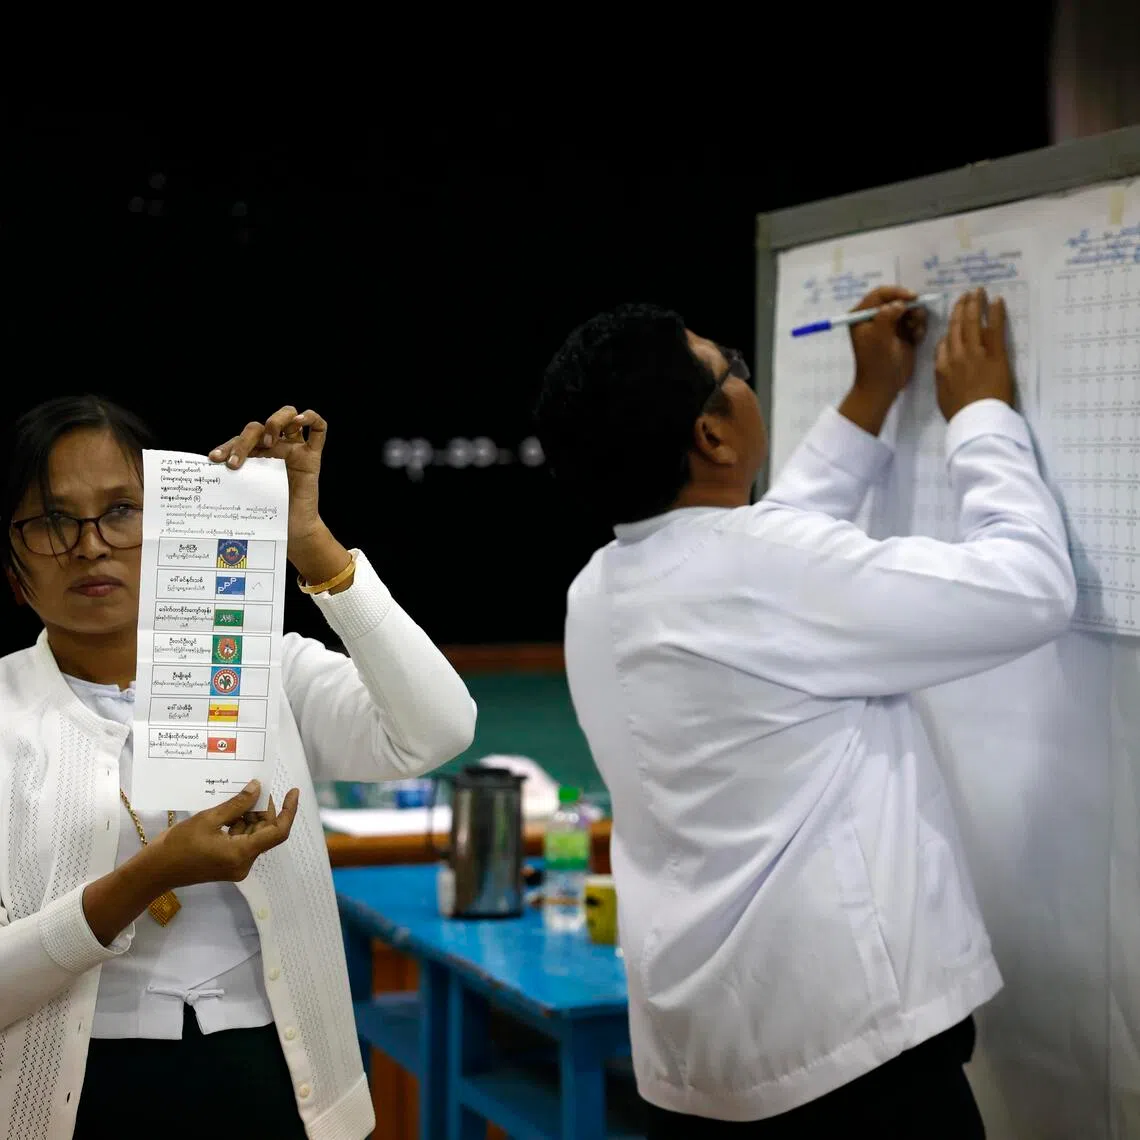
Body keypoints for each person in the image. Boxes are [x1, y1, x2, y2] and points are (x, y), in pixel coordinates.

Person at [534, 288, 1076, 1137]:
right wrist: (980, 420)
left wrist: (869, 400)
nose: (747, 382)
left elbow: (766, 546)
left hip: (707, 1065)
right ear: (712, 434)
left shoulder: (596, 591)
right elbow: (1033, 590)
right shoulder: (762, 571)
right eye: (733, 370)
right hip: (857, 1073)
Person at [0, 397, 477, 1140]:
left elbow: (439, 729)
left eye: (122, 510)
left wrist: (308, 538)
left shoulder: (264, 669)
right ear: (14, 569)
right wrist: (144, 879)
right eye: (55, 521)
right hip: (81, 1100)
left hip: (281, 1082)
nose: (91, 545)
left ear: (169, 527)